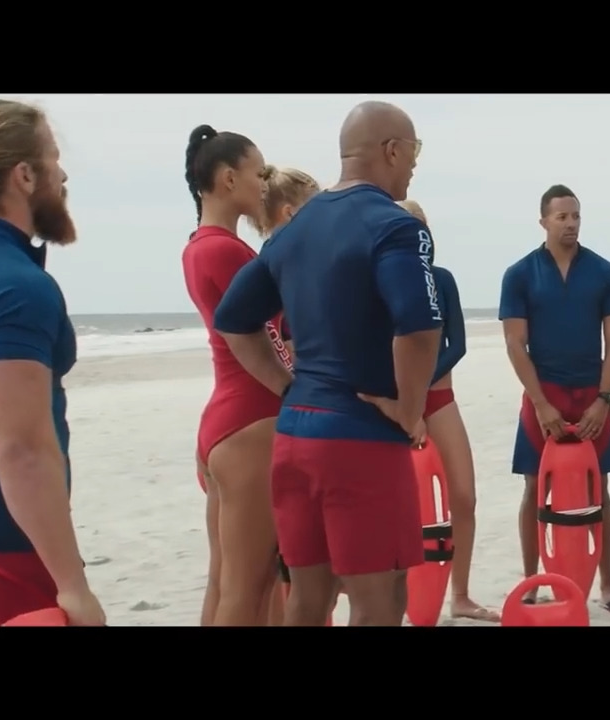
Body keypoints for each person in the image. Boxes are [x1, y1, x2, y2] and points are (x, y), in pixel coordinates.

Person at [215, 101, 442, 627]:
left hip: (296, 437)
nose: (414, 165)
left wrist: (286, 386)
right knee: (380, 601)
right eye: (414, 152)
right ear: (391, 150)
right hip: (360, 440)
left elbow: (233, 321)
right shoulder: (396, 226)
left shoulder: (296, 227)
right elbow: (419, 327)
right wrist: (409, 410)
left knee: (308, 599)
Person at [0, 99, 105, 626]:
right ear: (25, 174)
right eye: (53, 158)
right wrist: (74, 587)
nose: (63, 174)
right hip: (0, 555)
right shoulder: (16, 287)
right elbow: (22, 451)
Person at [498, 184, 610, 617]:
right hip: (545, 393)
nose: (571, 223)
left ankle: (608, 585)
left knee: (602, 488)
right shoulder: (519, 274)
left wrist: (604, 399)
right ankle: (531, 581)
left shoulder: (604, 271)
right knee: (533, 487)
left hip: (591, 392)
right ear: (544, 221)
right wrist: (540, 404)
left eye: (576, 216)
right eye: (562, 217)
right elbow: (515, 344)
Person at [182, 126, 295, 627]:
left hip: (225, 419)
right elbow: (259, 340)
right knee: (251, 588)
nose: (266, 184)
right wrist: (296, 390)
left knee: (226, 580)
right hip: (251, 420)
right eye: (260, 172)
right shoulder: (225, 251)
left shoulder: (198, 245)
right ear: (229, 179)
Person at [365, 199, 498, 622]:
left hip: (438, 400)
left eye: (422, 224)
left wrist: (418, 396)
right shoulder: (377, 282)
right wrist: (404, 405)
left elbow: (455, 344)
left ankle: (460, 595)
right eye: (408, 224)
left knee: (464, 496)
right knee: (391, 508)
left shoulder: (442, 280)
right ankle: (391, 599)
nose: (419, 233)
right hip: (392, 406)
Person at [252, 164, 321, 625]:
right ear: (292, 212)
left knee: (278, 568)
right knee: (279, 568)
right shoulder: (284, 268)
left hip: (274, 417)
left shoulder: (271, 265)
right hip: (277, 422)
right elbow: (285, 347)